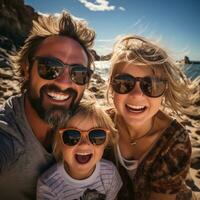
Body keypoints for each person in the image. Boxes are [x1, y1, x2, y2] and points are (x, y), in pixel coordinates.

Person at [0, 11, 95, 200]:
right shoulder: (7, 136)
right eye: (50, 68)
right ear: (27, 69)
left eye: (78, 73)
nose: (64, 83)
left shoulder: (85, 122)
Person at [105, 35, 197, 200]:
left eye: (151, 85)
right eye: (124, 82)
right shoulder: (99, 125)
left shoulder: (175, 141)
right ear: (111, 86)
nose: (137, 95)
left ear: (165, 90)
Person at [37, 100, 122, 200]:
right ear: (58, 142)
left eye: (96, 135)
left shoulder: (110, 174)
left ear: (106, 142)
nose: (84, 144)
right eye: (72, 136)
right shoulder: (49, 185)